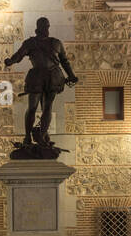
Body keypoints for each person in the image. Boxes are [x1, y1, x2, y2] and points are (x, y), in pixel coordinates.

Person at [4, 17, 77, 147]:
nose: (45, 29)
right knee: (32, 107)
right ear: (38, 27)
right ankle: (27, 137)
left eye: (47, 26)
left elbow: (64, 61)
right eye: (44, 27)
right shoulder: (30, 43)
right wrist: (10, 61)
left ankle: (43, 135)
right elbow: (19, 55)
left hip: (53, 77)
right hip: (37, 76)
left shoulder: (56, 43)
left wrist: (71, 75)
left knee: (47, 107)